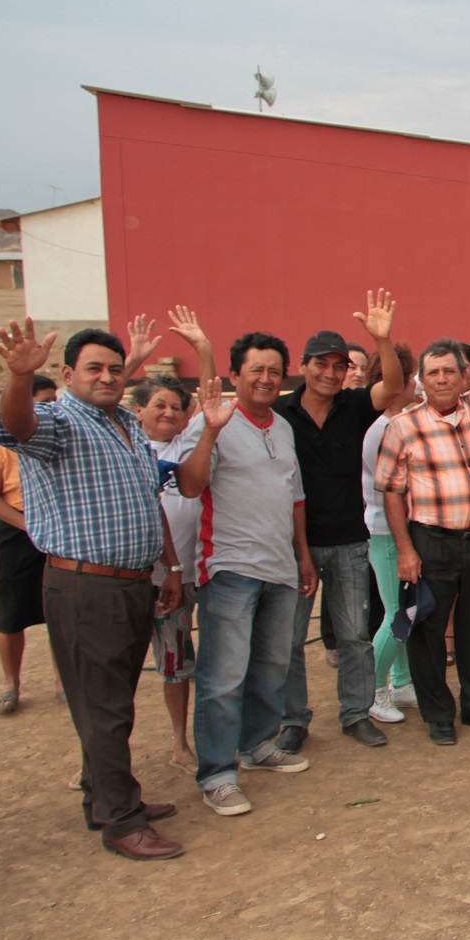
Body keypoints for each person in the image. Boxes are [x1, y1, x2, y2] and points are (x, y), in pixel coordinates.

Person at [0, 320, 187, 859]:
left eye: (115, 369)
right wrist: (19, 376)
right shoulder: (57, 421)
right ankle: (122, 822)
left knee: (110, 700)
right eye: (93, 368)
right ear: (66, 374)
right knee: (104, 707)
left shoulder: (124, 422)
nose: (106, 377)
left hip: (132, 584)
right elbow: (15, 425)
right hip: (85, 587)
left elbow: (147, 500)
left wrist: (168, 567)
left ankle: (103, 798)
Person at [174, 324, 316, 817]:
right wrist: (211, 430)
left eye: (275, 371)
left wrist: (302, 555)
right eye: (256, 369)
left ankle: (257, 744)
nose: (266, 378)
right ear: (235, 375)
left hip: (280, 568)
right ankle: (217, 773)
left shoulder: (282, 427)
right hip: (229, 567)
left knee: (272, 666)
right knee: (223, 677)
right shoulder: (211, 421)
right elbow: (190, 486)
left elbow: (295, 497)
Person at [377, 304, 470, 745]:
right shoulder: (402, 427)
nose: (441, 379)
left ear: (464, 376)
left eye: (449, 371)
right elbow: (391, 491)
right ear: (421, 380)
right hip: (431, 542)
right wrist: (406, 550)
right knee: (427, 631)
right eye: (432, 373)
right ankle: (439, 716)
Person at [271, 291, 405, 752]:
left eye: (338, 366)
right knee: (289, 640)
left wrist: (382, 339)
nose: (330, 373)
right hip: (295, 545)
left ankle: (356, 713)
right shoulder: (280, 414)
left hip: (349, 540)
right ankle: (293, 720)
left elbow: (393, 385)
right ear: (303, 366)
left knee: (354, 636)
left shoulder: (355, 406)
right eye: (320, 364)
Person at [131, 366, 204, 771]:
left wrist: (203, 351)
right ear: (138, 410)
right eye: (159, 405)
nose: (168, 413)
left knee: (176, 663)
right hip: (133, 577)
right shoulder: (126, 449)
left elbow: (207, 407)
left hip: (181, 575)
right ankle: (102, 754)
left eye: (176, 407)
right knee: (117, 666)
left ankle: (180, 742)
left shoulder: (185, 448)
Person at [0, 374, 59, 715]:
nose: (52, 408)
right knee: (10, 611)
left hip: (56, 526)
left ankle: (62, 680)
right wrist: (28, 525)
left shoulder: (58, 437)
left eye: (54, 401)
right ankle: (11, 683)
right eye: (44, 402)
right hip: (17, 531)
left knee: (59, 607)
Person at [360, 344, 419, 725]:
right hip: (386, 532)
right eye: (412, 377)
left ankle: (401, 681)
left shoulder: (396, 424)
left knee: (405, 611)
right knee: (397, 614)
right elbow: (393, 487)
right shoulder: (382, 430)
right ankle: (373, 689)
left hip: (398, 530)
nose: (416, 384)